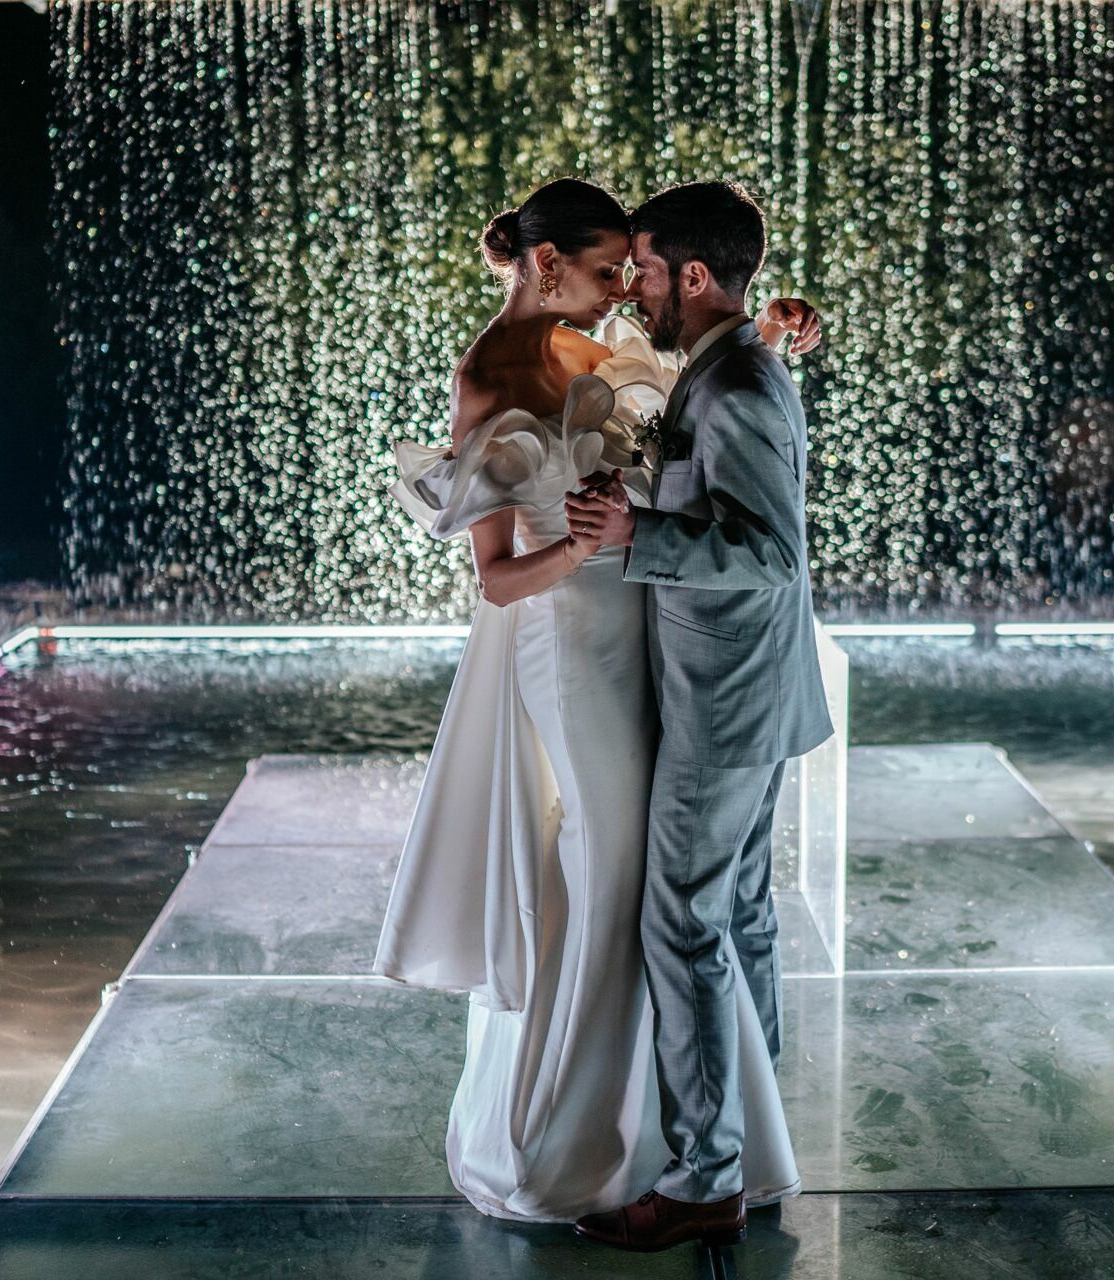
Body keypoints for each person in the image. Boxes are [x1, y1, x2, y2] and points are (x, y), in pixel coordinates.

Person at [374, 177, 821, 1226]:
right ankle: (589, 1133)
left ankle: (701, 1139)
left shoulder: (596, 341)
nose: (626, 288)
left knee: (675, 899)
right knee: (617, 873)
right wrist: (582, 550)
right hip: (574, 647)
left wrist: (766, 333)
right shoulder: (485, 379)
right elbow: (495, 580)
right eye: (611, 268)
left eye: (637, 269)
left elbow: (695, 403)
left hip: (660, 640)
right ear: (548, 264)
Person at [566, 181, 833, 1252]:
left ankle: (705, 1177)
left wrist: (637, 537)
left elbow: (770, 555)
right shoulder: (730, 363)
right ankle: (750, 1140)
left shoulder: (739, 385)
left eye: (643, 268)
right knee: (742, 916)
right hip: (744, 689)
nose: (633, 287)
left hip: (727, 700)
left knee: (682, 922)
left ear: (691, 275)